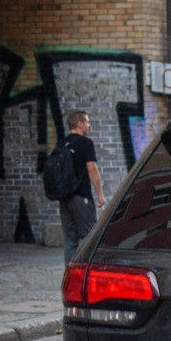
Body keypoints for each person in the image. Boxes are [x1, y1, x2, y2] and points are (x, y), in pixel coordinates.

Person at [58, 110, 107, 264]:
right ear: (79, 124)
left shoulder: (61, 144)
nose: (89, 125)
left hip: (64, 198)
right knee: (89, 238)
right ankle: (87, 277)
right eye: (87, 122)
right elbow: (92, 169)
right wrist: (100, 194)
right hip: (81, 196)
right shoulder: (86, 143)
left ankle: (70, 276)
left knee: (70, 240)